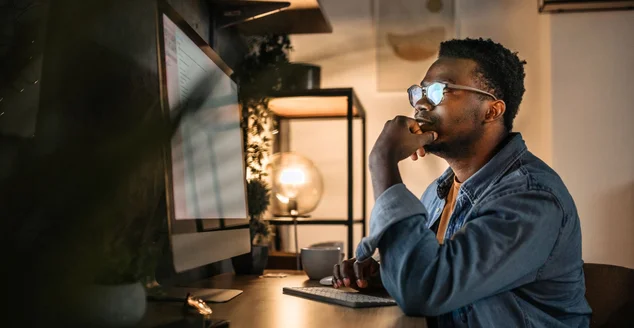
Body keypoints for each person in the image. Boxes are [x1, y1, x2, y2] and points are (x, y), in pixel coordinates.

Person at [332, 38, 592, 327]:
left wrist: (381, 161)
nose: (420, 101)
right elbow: (431, 273)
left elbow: (423, 290)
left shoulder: (532, 198)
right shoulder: (438, 191)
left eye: (439, 91)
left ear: (491, 111)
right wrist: (384, 273)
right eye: (419, 90)